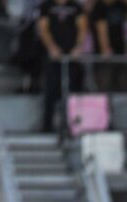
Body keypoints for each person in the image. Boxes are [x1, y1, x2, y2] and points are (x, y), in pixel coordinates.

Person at [37, 0, 87, 132]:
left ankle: (73, 125)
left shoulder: (75, 7)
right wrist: (51, 47)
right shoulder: (47, 6)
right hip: (53, 58)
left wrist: (78, 47)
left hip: (71, 58)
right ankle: (47, 126)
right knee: (51, 91)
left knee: (73, 91)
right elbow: (43, 28)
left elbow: (82, 28)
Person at [89, 0, 127, 92]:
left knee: (125, 86)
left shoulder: (120, 4)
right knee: (106, 85)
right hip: (105, 54)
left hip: (121, 52)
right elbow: (101, 29)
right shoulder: (99, 7)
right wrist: (105, 49)